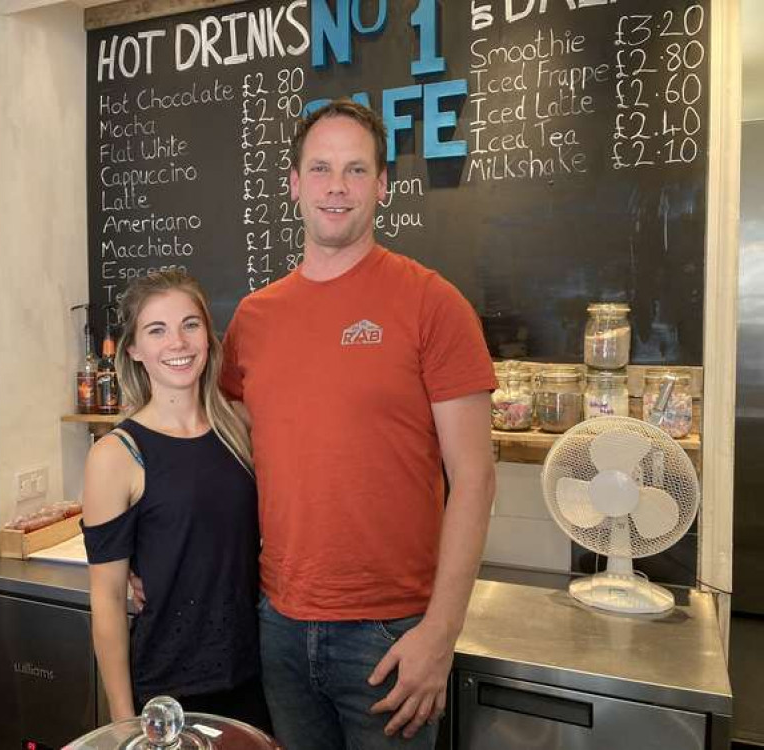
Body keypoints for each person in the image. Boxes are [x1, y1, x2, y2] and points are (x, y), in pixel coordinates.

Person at [221, 99, 497, 749]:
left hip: (391, 635)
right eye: (319, 169)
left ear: (381, 186)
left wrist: (440, 631)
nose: (336, 187)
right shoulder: (253, 320)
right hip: (279, 625)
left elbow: (475, 478)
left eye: (354, 169)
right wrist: (141, 547)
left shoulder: (432, 303)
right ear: (293, 184)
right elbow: (219, 456)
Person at [81, 270, 270, 731]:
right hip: (169, 693)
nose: (178, 343)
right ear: (134, 350)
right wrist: (124, 726)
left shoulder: (240, 428)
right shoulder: (117, 454)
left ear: (208, 335)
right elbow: (106, 599)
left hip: (255, 677)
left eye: (190, 324)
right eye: (157, 330)